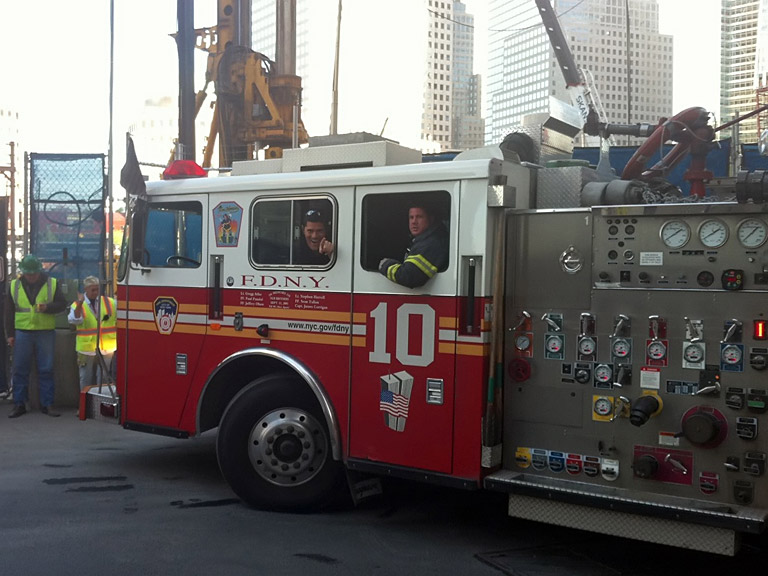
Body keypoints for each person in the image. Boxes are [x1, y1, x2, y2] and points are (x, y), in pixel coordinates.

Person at [5, 254, 68, 418]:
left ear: (39, 272)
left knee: (46, 369)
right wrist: (10, 334)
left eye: (33, 274)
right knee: (19, 369)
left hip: (44, 331)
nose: (31, 277)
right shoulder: (14, 286)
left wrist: (47, 307)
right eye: (28, 274)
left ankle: (47, 404)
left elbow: (62, 304)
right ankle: (20, 404)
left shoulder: (51, 284)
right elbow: (8, 312)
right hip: (22, 331)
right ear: (23, 272)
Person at [378, 204, 449, 288]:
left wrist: (385, 265)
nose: (414, 222)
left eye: (419, 217)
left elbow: (409, 276)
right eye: (411, 217)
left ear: (431, 219)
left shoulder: (431, 244)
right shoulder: (422, 240)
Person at [68, 276, 117, 392]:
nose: (95, 292)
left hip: (107, 347)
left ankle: (101, 403)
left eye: (97, 289)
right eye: (92, 290)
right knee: (85, 378)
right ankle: (85, 406)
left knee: (104, 377)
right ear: (86, 289)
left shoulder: (110, 302)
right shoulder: (77, 305)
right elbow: (74, 320)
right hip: (86, 348)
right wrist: (80, 303)